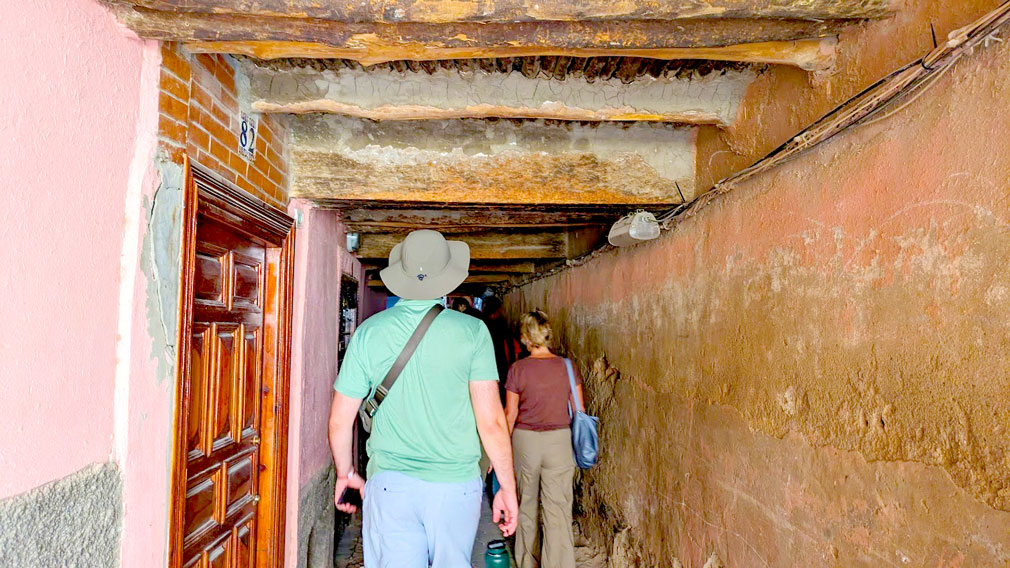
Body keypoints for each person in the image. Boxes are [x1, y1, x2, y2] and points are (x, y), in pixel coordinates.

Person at [328, 229, 519, 567]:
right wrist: (506, 486)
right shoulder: (472, 333)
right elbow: (490, 422)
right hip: (455, 487)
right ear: (446, 280)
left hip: (390, 487)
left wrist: (346, 472)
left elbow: (340, 420)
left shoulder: (369, 333)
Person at [504, 310, 584, 568]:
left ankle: (528, 561)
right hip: (559, 441)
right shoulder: (567, 367)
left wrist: (501, 451)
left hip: (526, 442)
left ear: (526, 338)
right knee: (558, 508)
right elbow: (579, 411)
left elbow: (510, 414)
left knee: (526, 504)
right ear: (547, 335)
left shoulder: (517, 369)